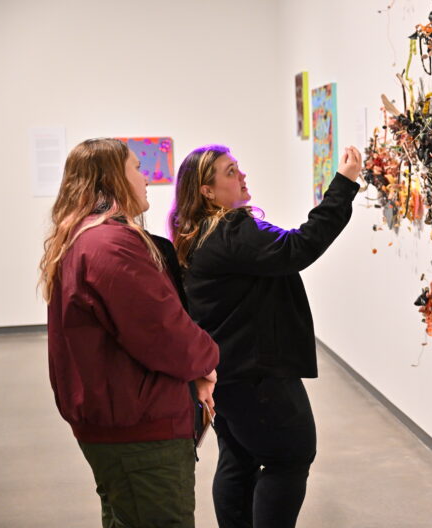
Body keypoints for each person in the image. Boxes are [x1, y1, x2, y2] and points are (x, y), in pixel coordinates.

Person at [169, 144, 362, 528]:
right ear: (206, 191)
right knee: (289, 458)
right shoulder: (230, 230)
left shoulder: (198, 234)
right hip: (256, 375)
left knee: (238, 458)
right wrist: (344, 184)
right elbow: (298, 247)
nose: (241, 176)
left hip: (227, 372)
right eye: (230, 171)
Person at [40, 138, 220, 528]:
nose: (146, 180)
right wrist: (208, 360)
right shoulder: (111, 246)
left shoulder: (84, 238)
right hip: (140, 432)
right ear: (112, 180)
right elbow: (164, 333)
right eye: (137, 169)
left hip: (120, 423)